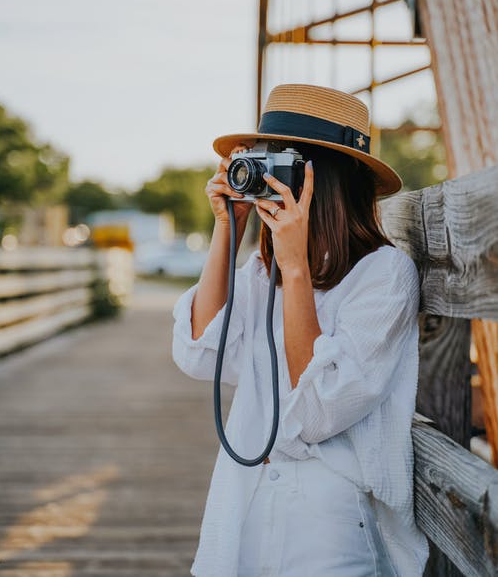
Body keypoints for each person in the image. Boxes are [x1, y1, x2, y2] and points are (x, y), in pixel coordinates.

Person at [172, 84, 430, 576]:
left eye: (277, 163)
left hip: (330, 520)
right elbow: (200, 354)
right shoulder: (262, 270)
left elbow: (316, 411)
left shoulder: (385, 275)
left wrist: (294, 270)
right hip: (244, 501)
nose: (264, 175)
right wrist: (229, 225)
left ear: (322, 177)